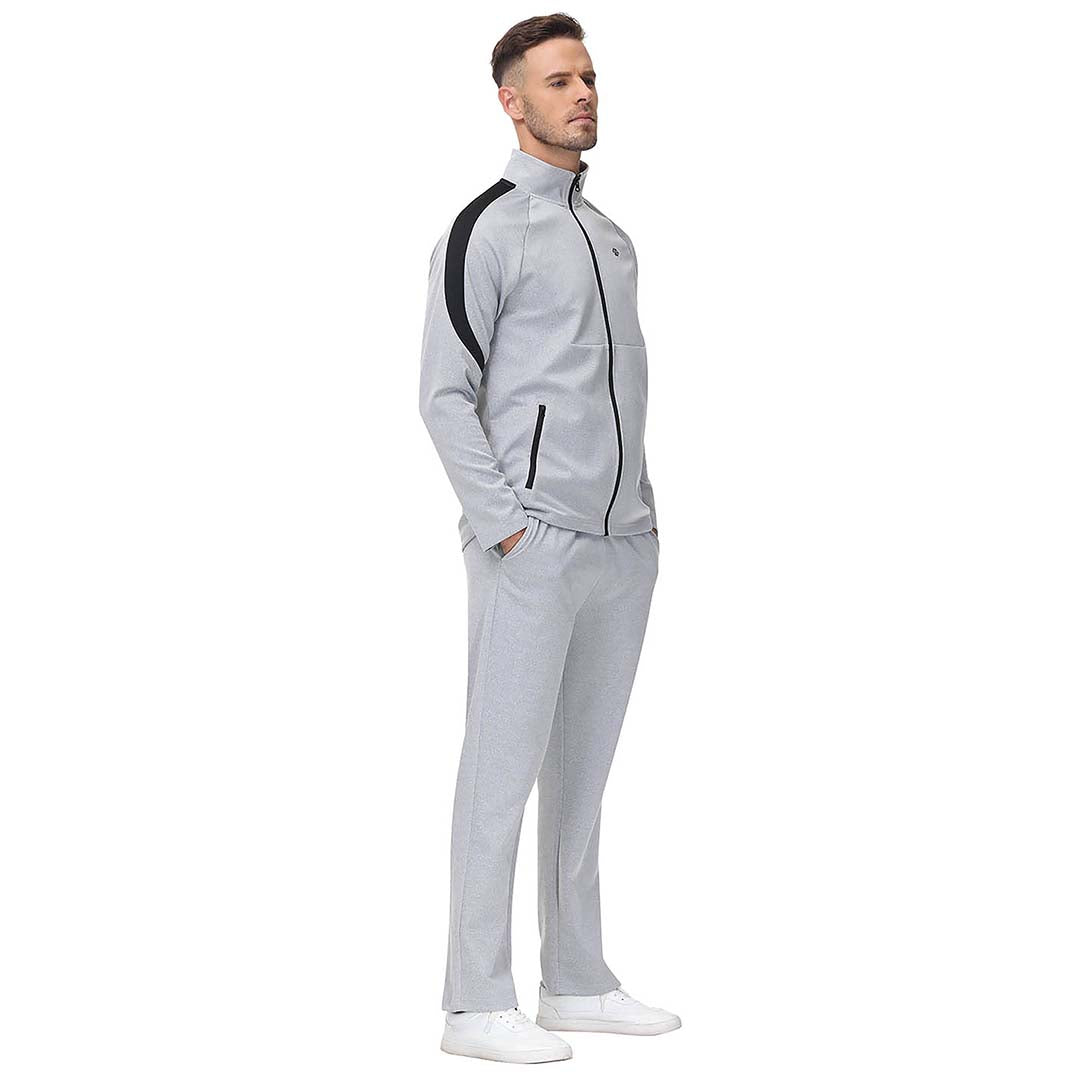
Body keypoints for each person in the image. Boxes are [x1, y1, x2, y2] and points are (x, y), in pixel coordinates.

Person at [418, 14, 680, 1063]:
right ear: (511, 99)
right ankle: (474, 1002)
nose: (583, 94)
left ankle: (575, 979)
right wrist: (507, 530)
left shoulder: (610, 234)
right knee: (500, 773)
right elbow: (444, 395)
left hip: (622, 545)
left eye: (589, 77)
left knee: (582, 777)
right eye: (559, 80)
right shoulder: (486, 229)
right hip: (533, 547)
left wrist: (642, 517)